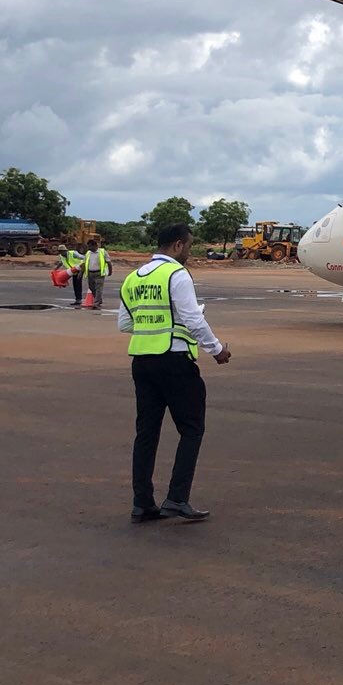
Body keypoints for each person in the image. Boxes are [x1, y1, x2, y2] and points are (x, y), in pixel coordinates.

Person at [117, 222, 231, 523]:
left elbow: (125, 324)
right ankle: (177, 498)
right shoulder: (176, 275)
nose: (190, 252)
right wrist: (217, 350)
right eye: (189, 246)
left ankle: (142, 503)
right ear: (178, 245)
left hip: (141, 361)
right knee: (192, 429)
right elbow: (193, 319)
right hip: (174, 361)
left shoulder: (133, 278)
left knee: (146, 433)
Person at [84, 236, 110, 311]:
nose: (88, 248)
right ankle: (98, 299)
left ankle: (96, 303)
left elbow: (108, 262)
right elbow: (84, 263)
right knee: (92, 288)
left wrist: (110, 271)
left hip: (99, 273)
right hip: (90, 273)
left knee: (98, 288)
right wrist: (81, 272)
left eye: (90, 246)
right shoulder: (88, 253)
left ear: (95, 245)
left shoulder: (102, 252)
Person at [59, 243, 84, 308]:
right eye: (60, 252)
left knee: (78, 285)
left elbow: (84, 258)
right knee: (75, 285)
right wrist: (55, 269)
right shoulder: (62, 256)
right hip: (73, 271)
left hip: (79, 270)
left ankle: (79, 300)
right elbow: (61, 262)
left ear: (65, 251)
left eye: (62, 252)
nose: (61, 253)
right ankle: (78, 299)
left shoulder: (73, 253)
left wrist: (81, 267)